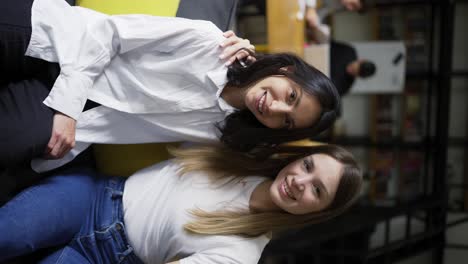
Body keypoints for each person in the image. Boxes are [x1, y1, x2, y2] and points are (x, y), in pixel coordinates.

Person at [0, 0, 341, 175]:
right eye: (291, 96)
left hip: (75, 111)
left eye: (287, 122)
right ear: (286, 70)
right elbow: (108, 34)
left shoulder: (221, 133)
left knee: (13, 138)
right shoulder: (212, 43)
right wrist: (69, 107)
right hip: (63, 42)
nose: (277, 108)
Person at [0, 144, 362, 263]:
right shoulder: (241, 154)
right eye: (308, 165)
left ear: (320, 213)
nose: (300, 181)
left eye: (317, 191)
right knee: (6, 236)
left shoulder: (240, 255)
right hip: (93, 197)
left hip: (107, 258)